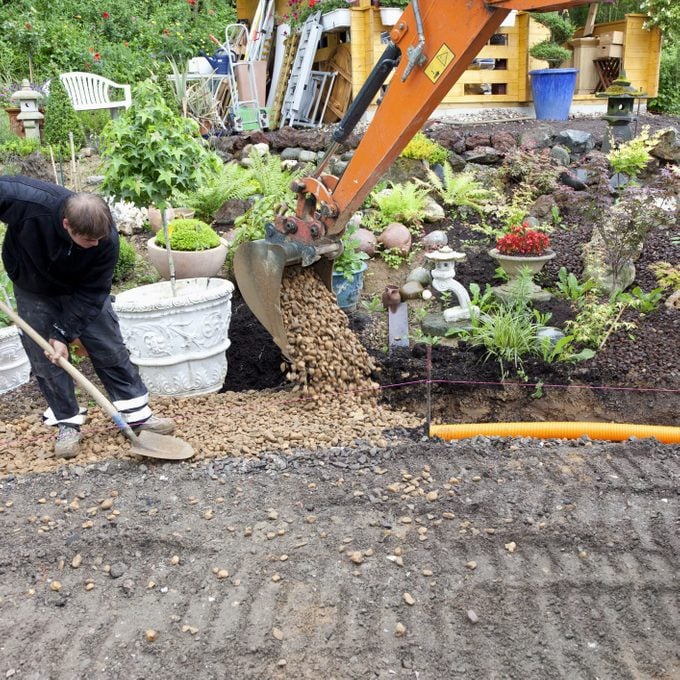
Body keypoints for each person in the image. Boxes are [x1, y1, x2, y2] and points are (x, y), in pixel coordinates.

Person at [0, 175, 175, 458]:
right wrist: (53, 341)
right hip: (32, 283)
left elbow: (94, 292)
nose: (95, 244)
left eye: (99, 238)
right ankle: (67, 423)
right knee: (46, 359)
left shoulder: (105, 241)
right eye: (87, 239)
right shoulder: (28, 200)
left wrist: (62, 334)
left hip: (81, 287)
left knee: (109, 346)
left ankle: (137, 415)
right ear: (66, 224)